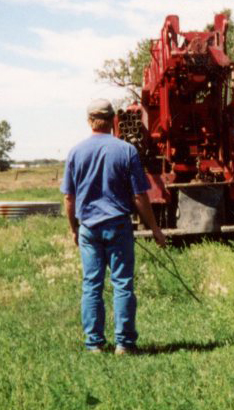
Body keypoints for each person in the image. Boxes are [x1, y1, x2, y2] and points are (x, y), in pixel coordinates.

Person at [60, 98, 166, 355]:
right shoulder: (127, 151)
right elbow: (140, 196)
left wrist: (74, 229)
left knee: (92, 285)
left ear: (89, 121)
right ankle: (124, 344)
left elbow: (69, 198)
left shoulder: (75, 152)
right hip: (119, 226)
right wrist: (155, 229)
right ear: (113, 121)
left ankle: (94, 343)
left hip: (89, 229)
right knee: (123, 284)